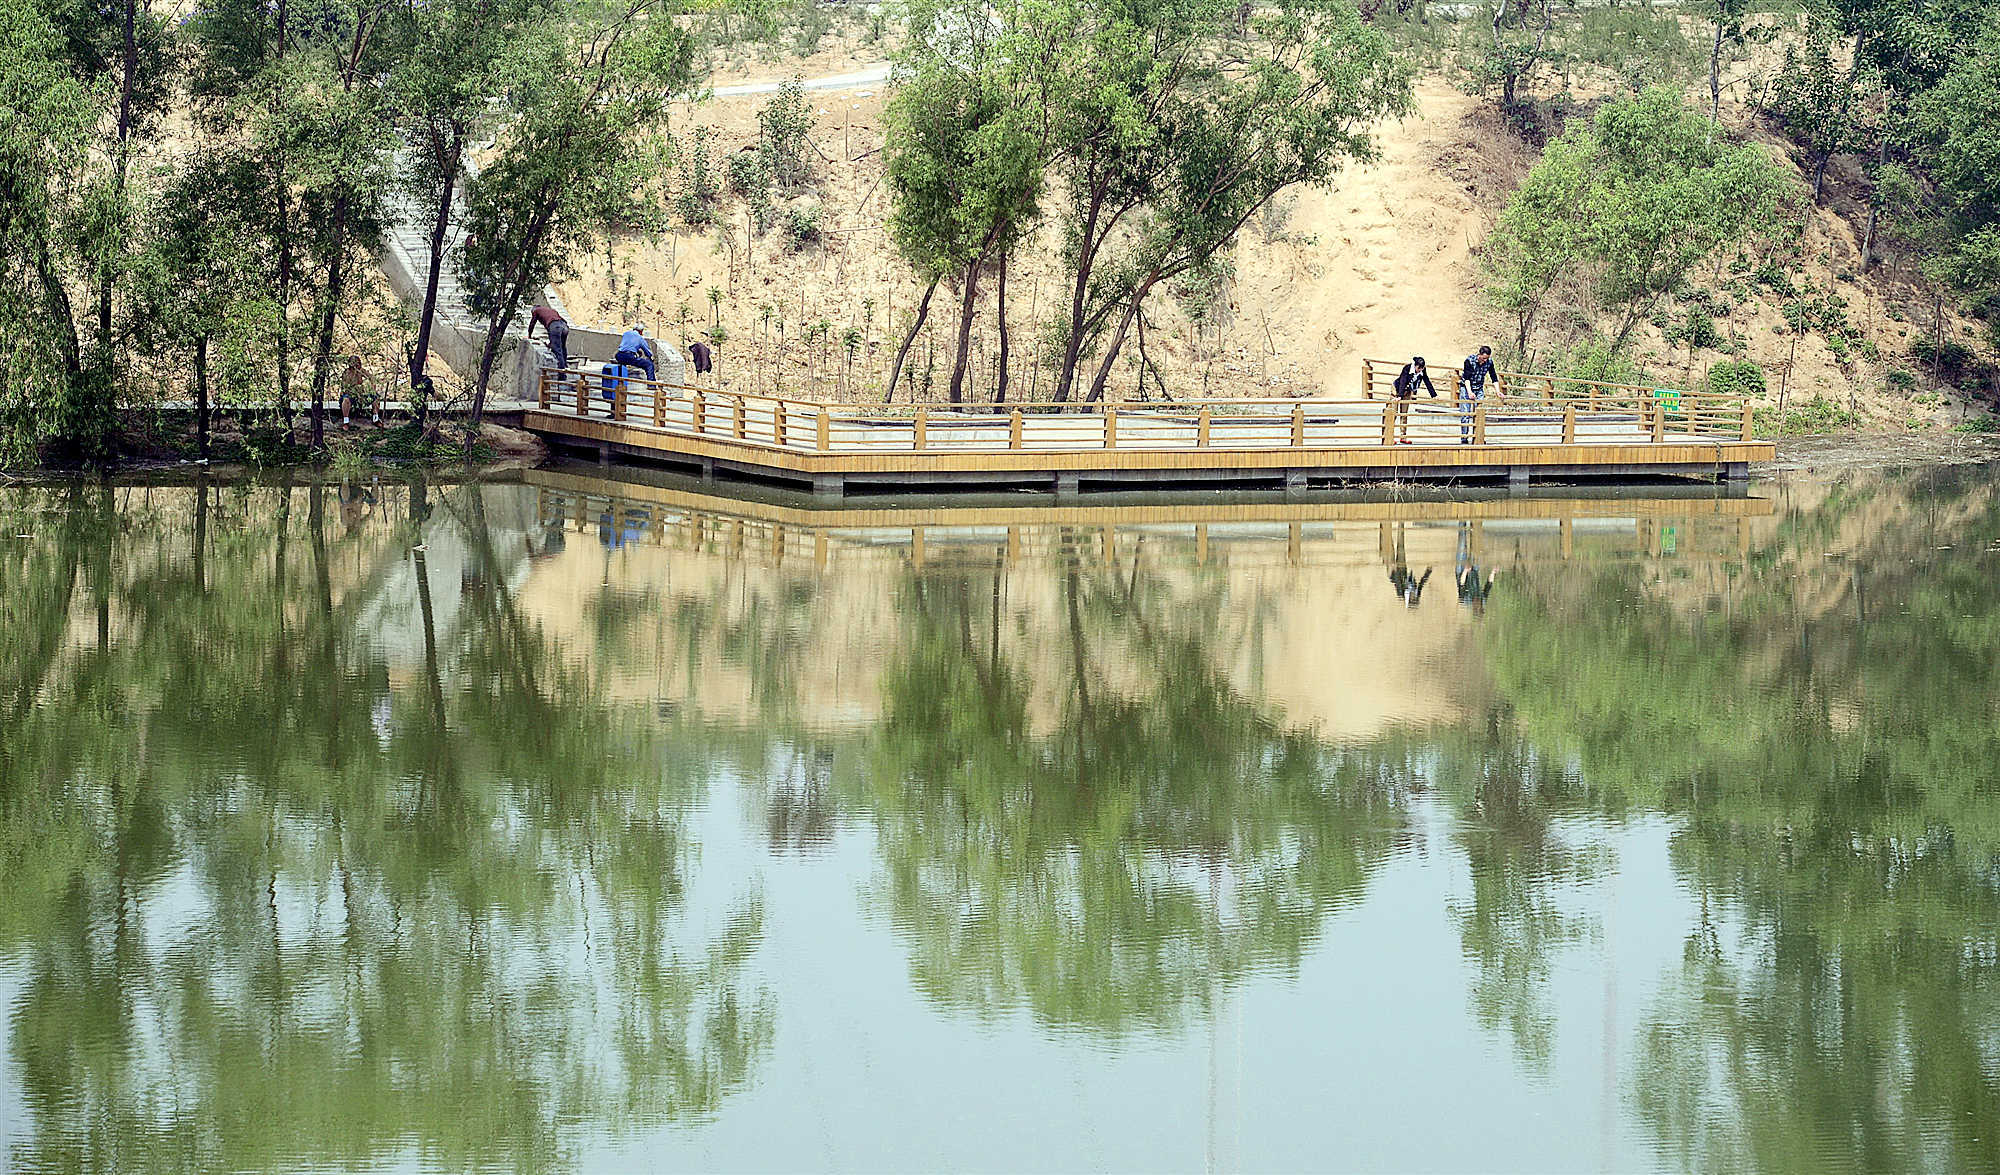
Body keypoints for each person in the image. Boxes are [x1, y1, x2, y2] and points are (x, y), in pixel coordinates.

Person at [1458, 345, 1502, 444]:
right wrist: (1469, 392)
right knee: (1466, 414)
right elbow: (1467, 378)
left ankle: (1477, 437)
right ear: (1480, 355)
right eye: (1483, 358)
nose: (1485, 360)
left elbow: (1493, 377)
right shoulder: (1469, 361)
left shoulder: (1489, 362)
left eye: (1487, 358)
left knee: (1479, 413)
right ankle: (1464, 438)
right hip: (1466, 387)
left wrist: (1497, 391)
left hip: (1479, 388)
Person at [1392, 355, 1435, 445]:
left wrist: (1433, 394)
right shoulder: (1407, 368)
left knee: (1404, 414)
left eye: (1421, 369)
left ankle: (1402, 436)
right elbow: (1403, 380)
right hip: (1397, 389)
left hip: (1407, 391)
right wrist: (1399, 395)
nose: (1420, 370)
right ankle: (1389, 436)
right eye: (1419, 368)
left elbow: (1426, 381)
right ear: (1415, 366)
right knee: (1393, 413)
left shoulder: (1422, 370)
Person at [528, 304, 569, 372]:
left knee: (557, 349)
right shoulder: (551, 310)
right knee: (562, 347)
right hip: (564, 326)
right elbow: (563, 322)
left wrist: (529, 335)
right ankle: (565, 365)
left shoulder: (536, 310)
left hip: (555, 326)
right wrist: (551, 343)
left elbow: (532, 323)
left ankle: (562, 374)